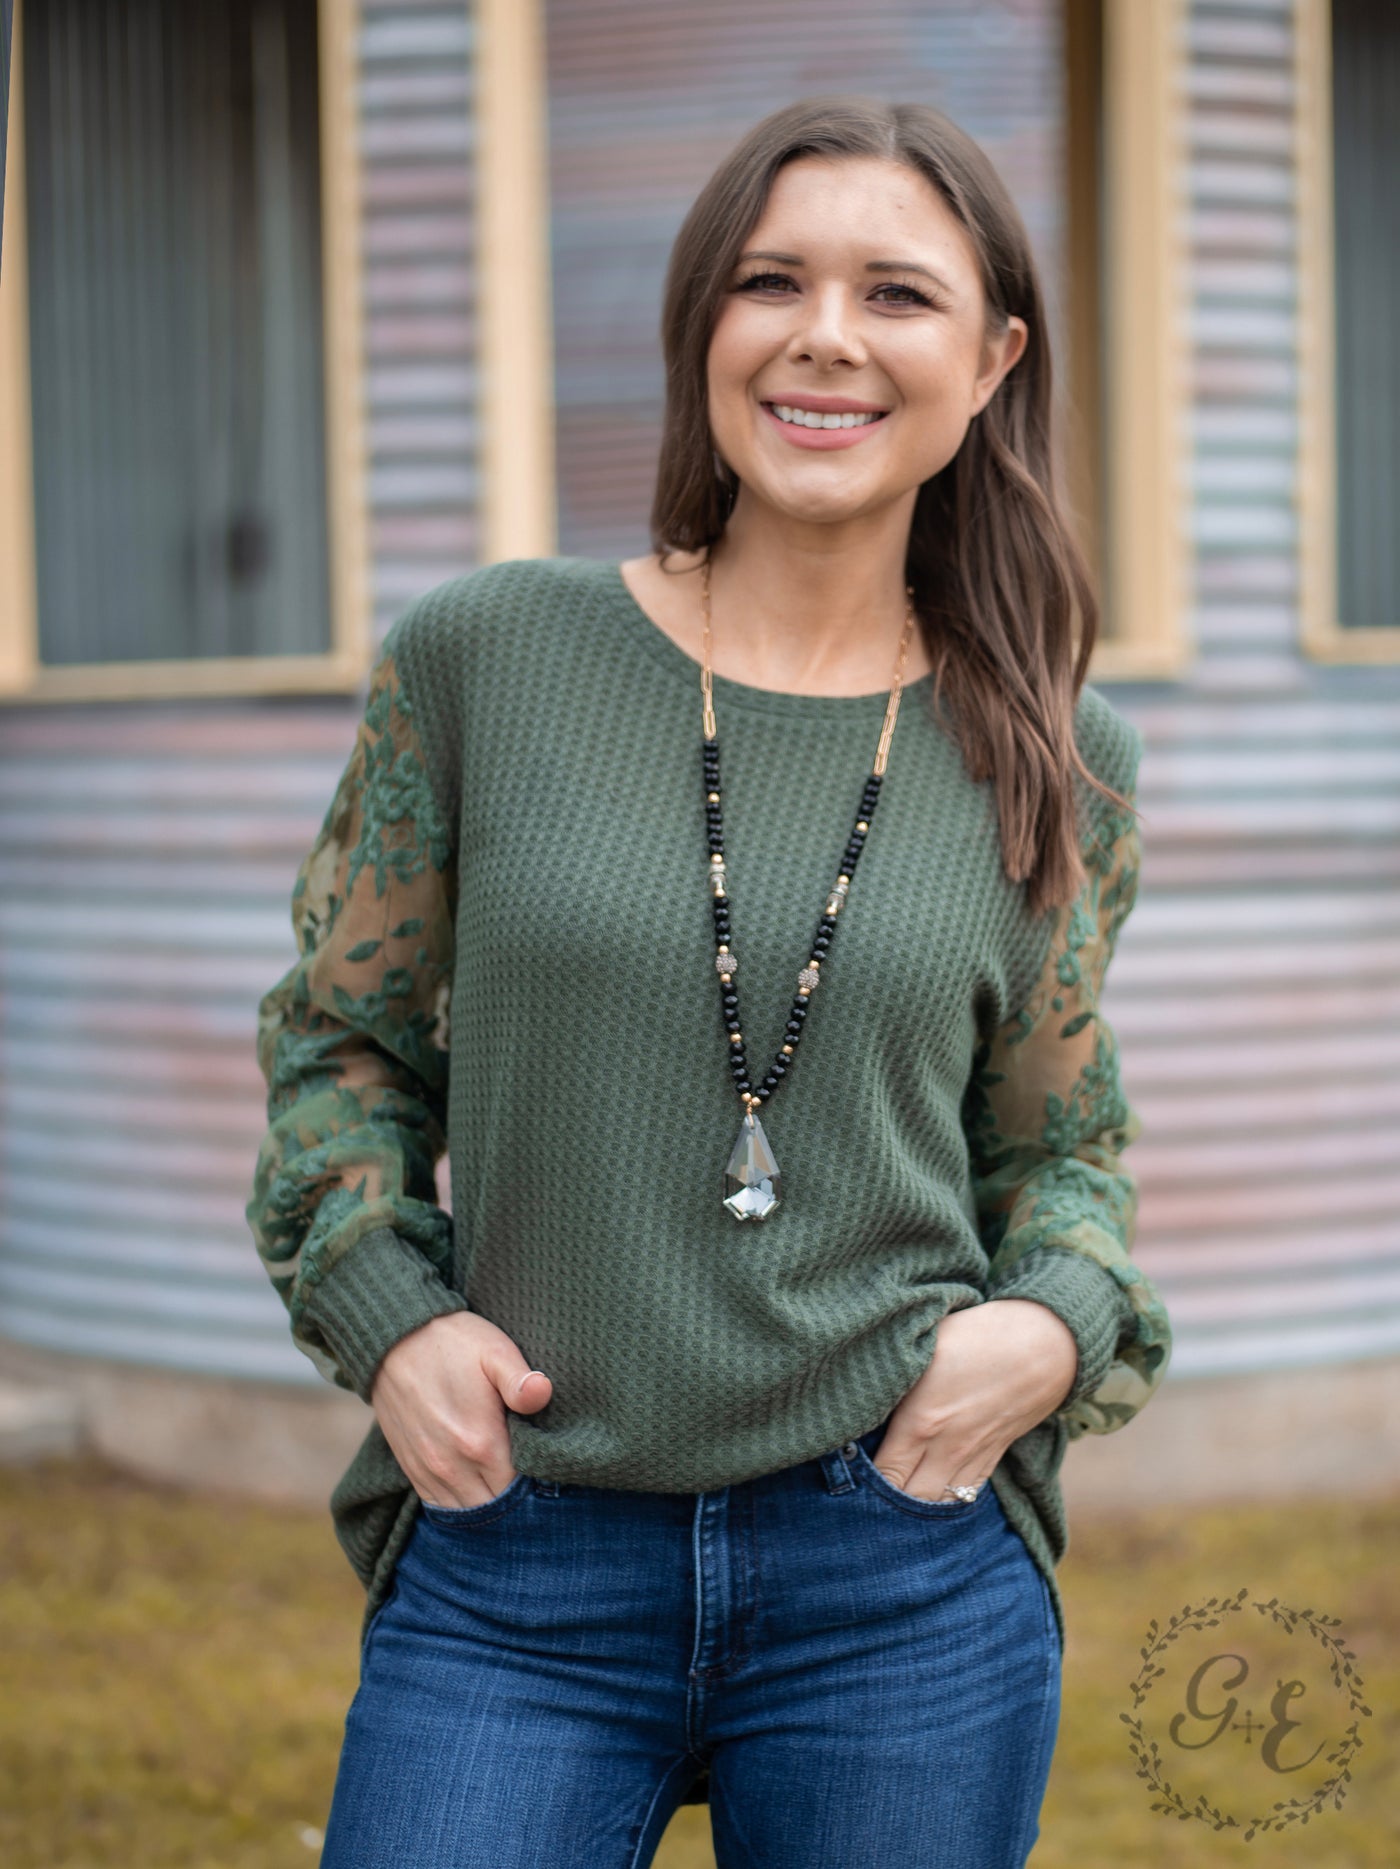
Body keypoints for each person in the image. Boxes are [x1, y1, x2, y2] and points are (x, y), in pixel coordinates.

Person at [246, 95, 1172, 1869]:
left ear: (991, 364)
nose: (826, 334)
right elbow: (340, 1046)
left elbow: (1066, 1153)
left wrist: (1043, 1328)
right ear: (705, 333)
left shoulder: (1062, 755)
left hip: (896, 1562)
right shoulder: (486, 659)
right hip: (525, 1546)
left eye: (897, 293)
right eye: (772, 281)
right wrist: (391, 1314)